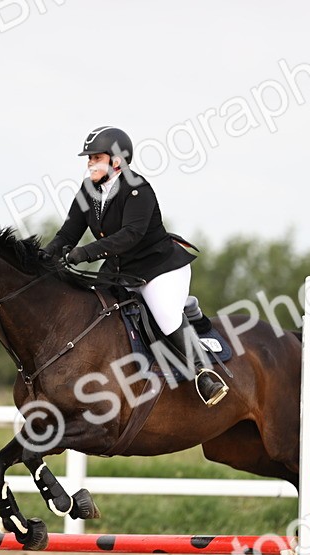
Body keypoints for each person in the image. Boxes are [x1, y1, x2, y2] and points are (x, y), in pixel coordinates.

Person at [42, 126, 229, 407]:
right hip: (120, 271)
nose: (90, 163)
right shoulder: (88, 190)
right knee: (91, 310)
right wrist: (43, 258)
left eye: (96, 158)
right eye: (89, 159)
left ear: (116, 161)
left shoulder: (137, 190)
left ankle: (205, 373)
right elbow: (68, 233)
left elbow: (130, 235)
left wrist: (85, 253)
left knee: (165, 315)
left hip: (159, 269)